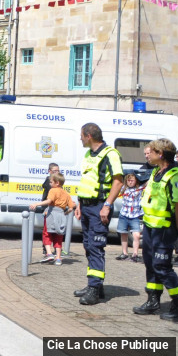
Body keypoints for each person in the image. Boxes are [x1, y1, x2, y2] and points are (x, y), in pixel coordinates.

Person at [133, 138, 178, 322]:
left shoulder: (175, 176)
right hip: (151, 227)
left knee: (162, 267)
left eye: (150, 151)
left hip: (165, 229)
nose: (147, 155)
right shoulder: (156, 172)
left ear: (160, 154)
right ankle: (153, 301)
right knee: (151, 265)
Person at [72, 122, 124, 306]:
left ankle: (94, 289)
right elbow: (87, 180)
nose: (80, 138)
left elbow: (118, 181)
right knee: (87, 245)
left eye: (81, 135)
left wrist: (107, 205)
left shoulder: (110, 154)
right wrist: (79, 204)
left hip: (99, 207)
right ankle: (94, 285)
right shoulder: (89, 154)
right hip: (86, 206)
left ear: (89, 136)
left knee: (95, 246)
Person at [29, 171, 75, 265]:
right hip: (61, 214)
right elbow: (71, 207)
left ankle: (49, 253)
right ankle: (58, 258)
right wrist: (65, 213)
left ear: (57, 183)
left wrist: (36, 204)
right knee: (58, 236)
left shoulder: (53, 190)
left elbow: (49, 201)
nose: (50, 184)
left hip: (52, 213)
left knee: (47, 233)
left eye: (51, 182)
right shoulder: (66, 194)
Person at [116, 170, 146, 263]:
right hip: (124, 214)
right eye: (128, 180)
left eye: (132, 180)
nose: (130, 182)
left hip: (135, 215)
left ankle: (135, 254)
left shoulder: (139, 189)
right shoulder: (123, 189)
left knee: (136, 235)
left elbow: (147, 184)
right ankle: (124, 253)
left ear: (136, 181)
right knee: (123, 233)